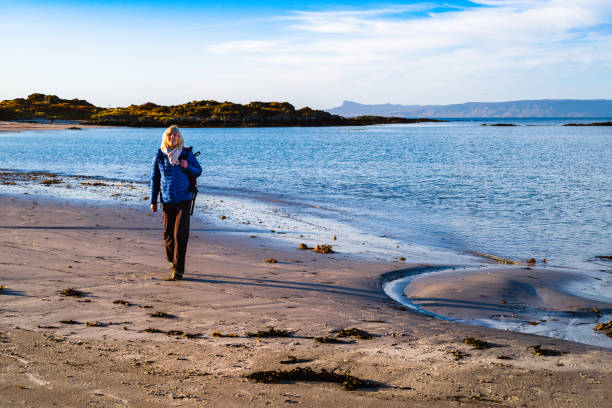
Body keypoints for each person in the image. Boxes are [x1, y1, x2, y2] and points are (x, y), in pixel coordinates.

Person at [150, 125, 202, 280]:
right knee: (168, 235)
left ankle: (178, 270)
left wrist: (188, 166)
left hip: (184, 199)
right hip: (167, 200)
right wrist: (153, 200)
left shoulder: (186, 153)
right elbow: (155, 179)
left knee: (180, 235)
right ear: (165, 138)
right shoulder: (159, 155)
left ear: (179, 138)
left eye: (175, 135)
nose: (172, 138)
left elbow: (198, 171)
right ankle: (172, 261)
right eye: (169, 135)